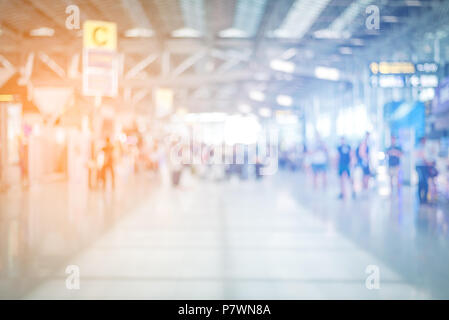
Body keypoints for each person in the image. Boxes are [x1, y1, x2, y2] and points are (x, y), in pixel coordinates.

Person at [415, 138, 429, 204]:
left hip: (424, 166)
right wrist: (427, 162)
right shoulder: (419, 147)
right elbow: (422, 158)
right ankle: (421, 198)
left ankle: (424, 198)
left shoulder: (425, 147)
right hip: (420, 166)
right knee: (421, 181)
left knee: (425, 182)